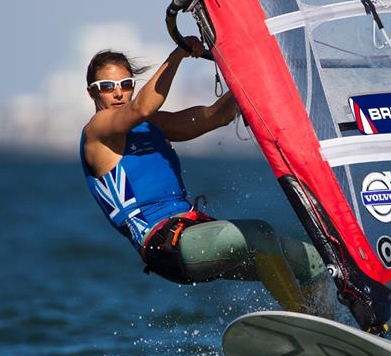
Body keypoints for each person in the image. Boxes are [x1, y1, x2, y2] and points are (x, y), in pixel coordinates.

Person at [80, 38, 333, 316]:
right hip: (165, 246)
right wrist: (179, 54)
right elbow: (142, 107)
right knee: (260, 234)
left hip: (196, 233)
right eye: (107, 87)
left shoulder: (151, 125)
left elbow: (215, 116)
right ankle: (298, 318)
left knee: (314, 264)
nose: (117, 94)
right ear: (93, 94)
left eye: (125, 85)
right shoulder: (97, 133)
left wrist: (251, 77)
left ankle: (324, 333)